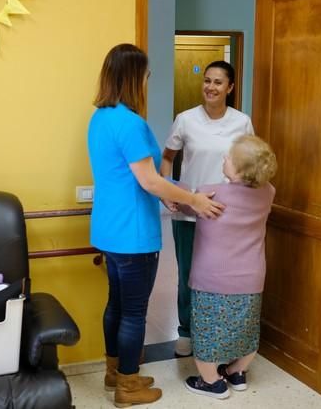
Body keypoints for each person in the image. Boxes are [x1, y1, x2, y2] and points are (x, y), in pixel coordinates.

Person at [87, 43, 224, 407]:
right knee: (133, 312)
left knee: (115, 304)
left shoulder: (100, 118)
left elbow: (131, 177)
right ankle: (128, 388)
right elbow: (148, 180)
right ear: (133, 78)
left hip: (108, 229)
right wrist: (193, 198)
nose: (147, 82)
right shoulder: (131, 123)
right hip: (133, 235)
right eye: (145, 76)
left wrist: (168, 194)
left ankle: (117, 371)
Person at [160, 60, 254, 357]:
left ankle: (222, 335)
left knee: (222, 277)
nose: (210, 87)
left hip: (227, 214)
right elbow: (167, 157)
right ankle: (187, 332)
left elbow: (251, 163)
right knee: (190, 274)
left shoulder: (242, 122)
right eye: (207, 81)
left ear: (230, 88)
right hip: (189, 211)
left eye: (218, 82)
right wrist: (167, 191)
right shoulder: (185, 119)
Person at [182, 134, 277, 399]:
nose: (224, 158)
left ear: (240, 169)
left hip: (212, 278)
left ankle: (212, 382)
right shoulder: (269, 192)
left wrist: (180, 193)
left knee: (206, 330)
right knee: (246, 328)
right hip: (251, 278)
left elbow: (187, 207)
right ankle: (237, 371)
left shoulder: (211, 192)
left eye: (229, 157)